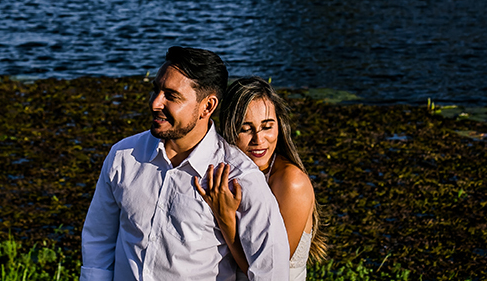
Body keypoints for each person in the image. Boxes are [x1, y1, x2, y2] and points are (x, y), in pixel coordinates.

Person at [80, 47, 290, 281]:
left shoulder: (241, 179)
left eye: (171, 96)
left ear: (207, 106)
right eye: (156, 91)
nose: (155, 103)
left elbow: (271, 272)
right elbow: (98, 243)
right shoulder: (123, 156)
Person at [193, 76, 327, 281]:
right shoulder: (224, 173)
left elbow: (267, 270)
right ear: (229, 129)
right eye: (245, 129)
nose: (258, 139)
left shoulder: (291, 182)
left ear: (279, 126)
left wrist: (226, 220)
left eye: (267, 126)